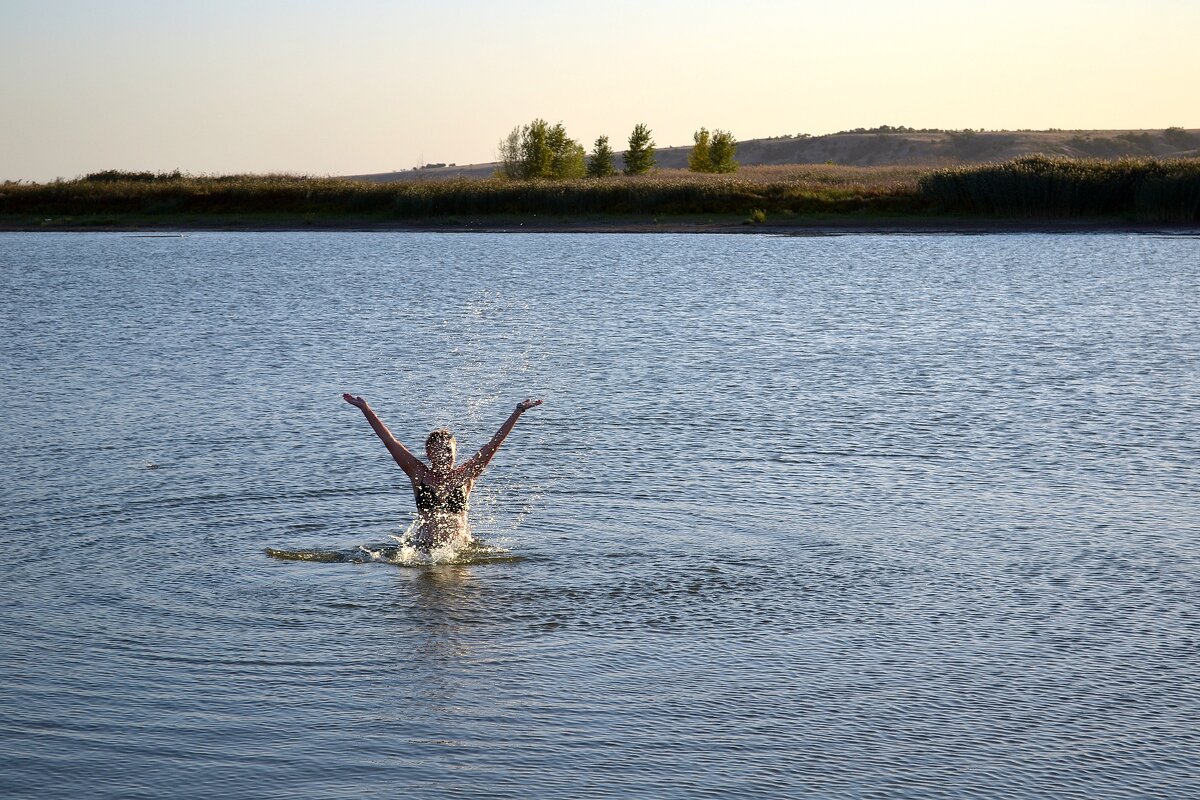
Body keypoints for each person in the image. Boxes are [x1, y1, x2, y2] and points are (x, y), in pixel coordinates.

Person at [342, 394, 543, 552]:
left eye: (448, 450)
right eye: (438, 450)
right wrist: (366, 410)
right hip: (424, 552)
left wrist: (518, 412)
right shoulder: (417, 473)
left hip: (458, 551)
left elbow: (494, 444)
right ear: (429, 453)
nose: (444, 455)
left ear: (456, 453)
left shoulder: (466, 475)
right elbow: (390, 441)